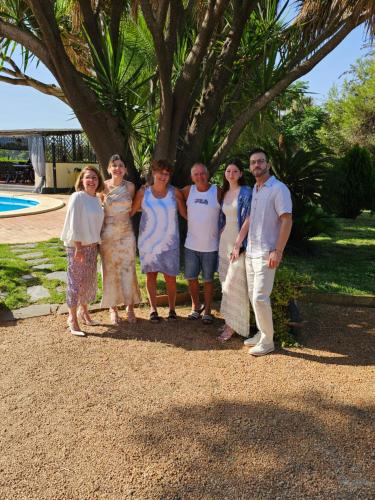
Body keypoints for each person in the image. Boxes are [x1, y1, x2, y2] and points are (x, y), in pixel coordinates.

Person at [231, 148, 292, 355]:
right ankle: (261, 333)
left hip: (267, 253)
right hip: (251, 252)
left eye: (260, 161)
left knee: (260, 297)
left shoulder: (278, 188)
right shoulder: (256, 189)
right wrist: (239, 242)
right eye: (253, 162)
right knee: (252, 296)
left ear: (268, 164)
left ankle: (268, 342)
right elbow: (249, 218)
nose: (256, 165)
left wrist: (278, 251)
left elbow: (286, 220)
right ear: (250, 167)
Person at [131, 159, 187, 322]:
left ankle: (172, 309)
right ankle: (153, 309)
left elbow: (185, 214)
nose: (163, 176)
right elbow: (131, 211)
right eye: (160, 172)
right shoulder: (143, 192)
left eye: (167, 173)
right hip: (148, 243)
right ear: (153, 173)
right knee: (151, 276)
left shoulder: (174, 192)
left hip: (169, 243)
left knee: (170, 277)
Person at [61, 165, 104, 336]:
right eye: (88, 177)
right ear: (82, 180)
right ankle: (72, 318)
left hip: (92, 246)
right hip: (77, 247)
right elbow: (74, 223)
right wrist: (78, 247)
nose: (91, 180)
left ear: (98, 180)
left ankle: (84, 311)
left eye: (94, 177)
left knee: (88, 282)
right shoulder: (77, 197)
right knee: (75, 282)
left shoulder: (96, 199)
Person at [100, 154, 141, 325]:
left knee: (128, 269)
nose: (117, 168)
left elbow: (134, 209)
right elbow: (99, 212)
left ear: (125, 169)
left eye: (120, 165)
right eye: (114, 165)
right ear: (109, 169)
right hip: (108, 233)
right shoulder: (102, 187)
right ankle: (112, 308)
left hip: (126, 233)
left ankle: (129, 306)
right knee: (109, 270)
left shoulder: (131, 187)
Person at [182, 163, 222, 324]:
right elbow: (173, 195)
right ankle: (195, 306)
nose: (200, 176)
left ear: (208, 174)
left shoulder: (217, 191)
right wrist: (185, 214)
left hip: (211, 246)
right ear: (192, 177)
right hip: (191, 245)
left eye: (202, 173)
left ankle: (207, 310)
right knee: (191, 278)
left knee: (208, 280)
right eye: (196, 174)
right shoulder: (187, 191)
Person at [217, 159, 252, 341]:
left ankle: (233, 327)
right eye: (228, 171)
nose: (231, 174)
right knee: (225, 285)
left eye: (235, 171)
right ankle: (229, 321)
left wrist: (238, 243)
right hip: (224, 244)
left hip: (238, 244)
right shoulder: (224, 193)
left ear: (241, 174)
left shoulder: (245, 192)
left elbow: (248, 218)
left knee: (233, 285)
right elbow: (224, 219)